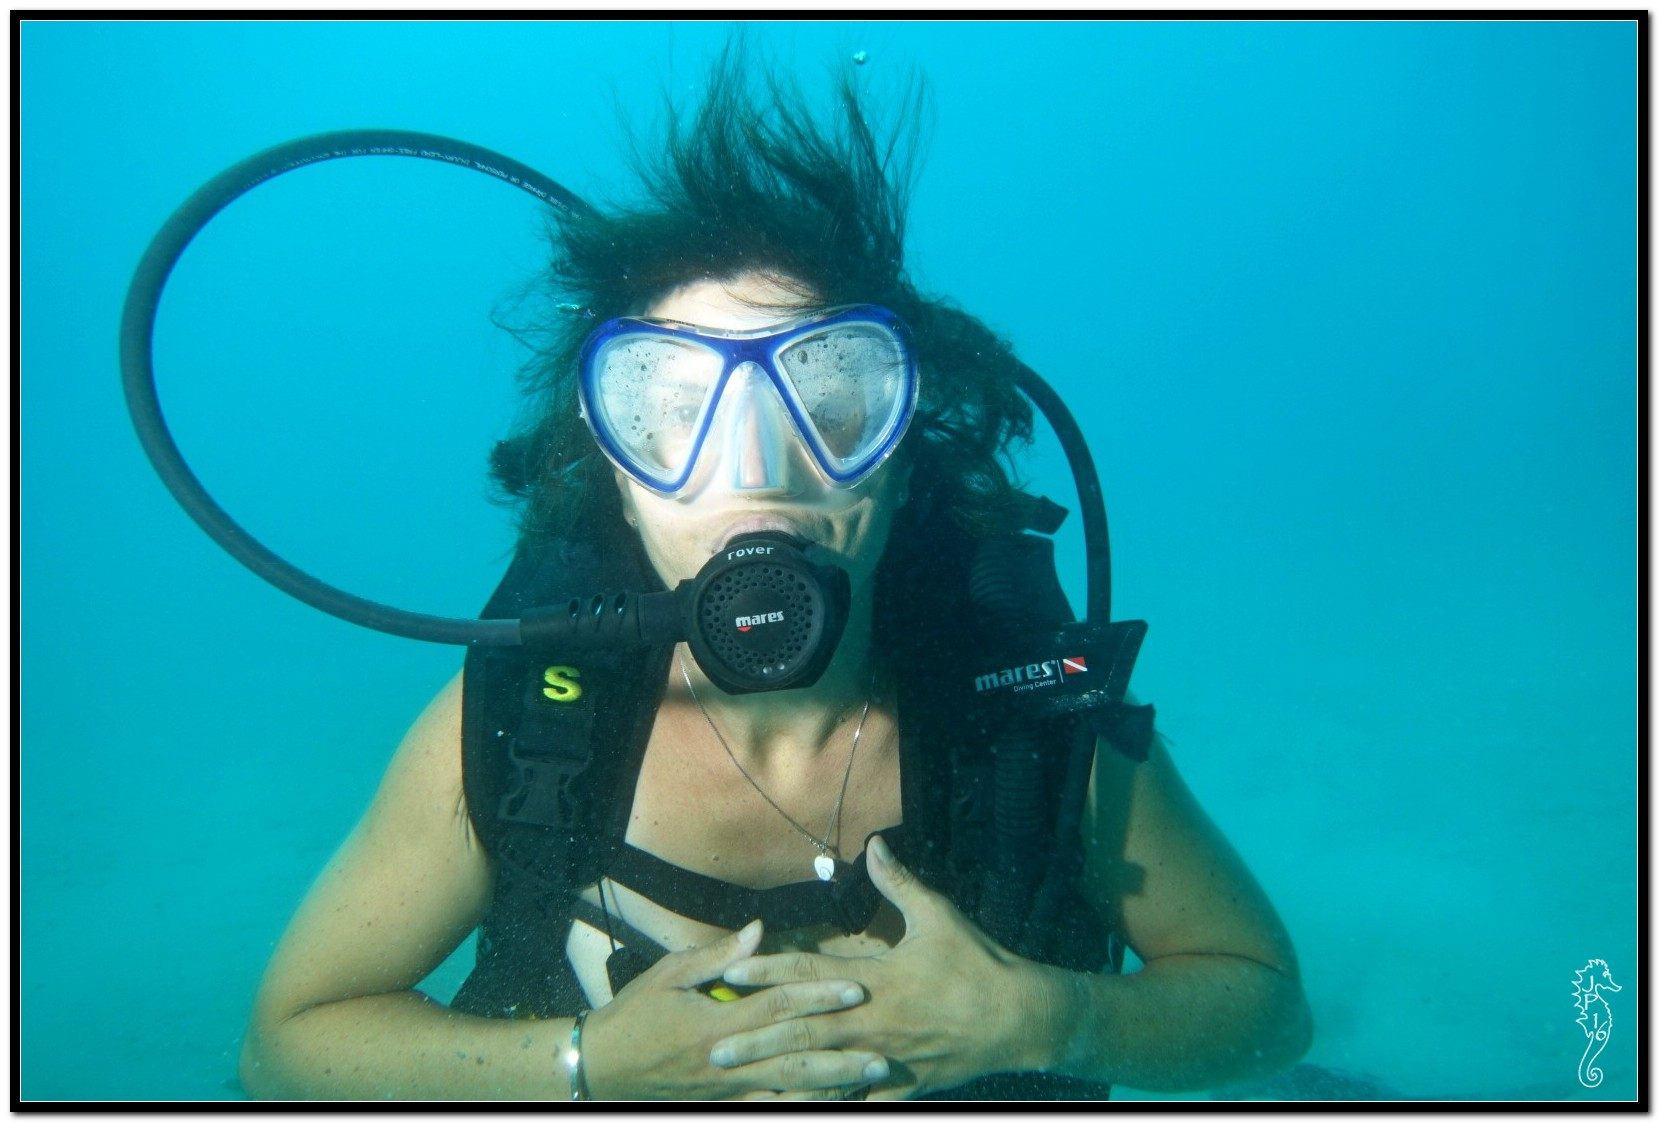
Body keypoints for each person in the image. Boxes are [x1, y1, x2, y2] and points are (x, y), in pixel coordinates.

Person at [238, 53, 1312, 1102]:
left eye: (833, 400)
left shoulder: (1026, 717)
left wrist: (1045, 1017)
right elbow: (283, 1050)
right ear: (616, 479)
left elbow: (1269, 1011)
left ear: (902, 462)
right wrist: (586, 1065)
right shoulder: (530, 721)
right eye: (674, 410)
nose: (756, 468)